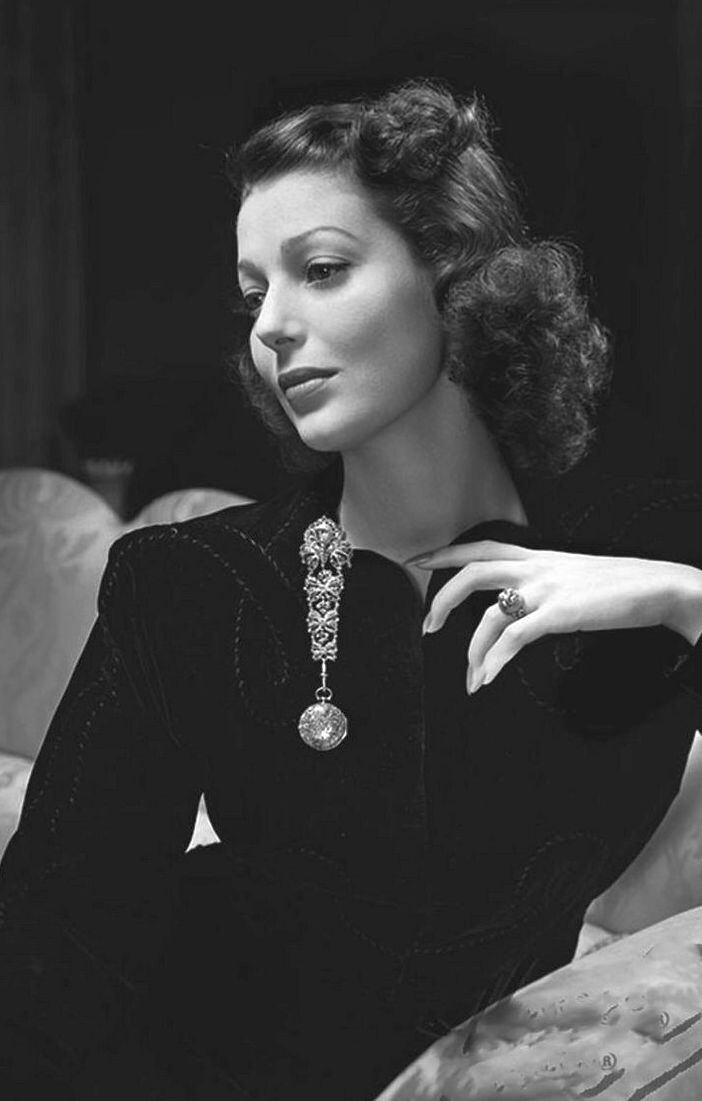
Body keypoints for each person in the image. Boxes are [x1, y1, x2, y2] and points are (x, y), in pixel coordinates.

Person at [1, 79, 701, 1100]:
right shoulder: (191, 584)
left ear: (453, 273)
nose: (272, 328)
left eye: (321, 270)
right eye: (253, 294)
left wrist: (686, 599)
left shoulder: (640, 560)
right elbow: (52, 950)